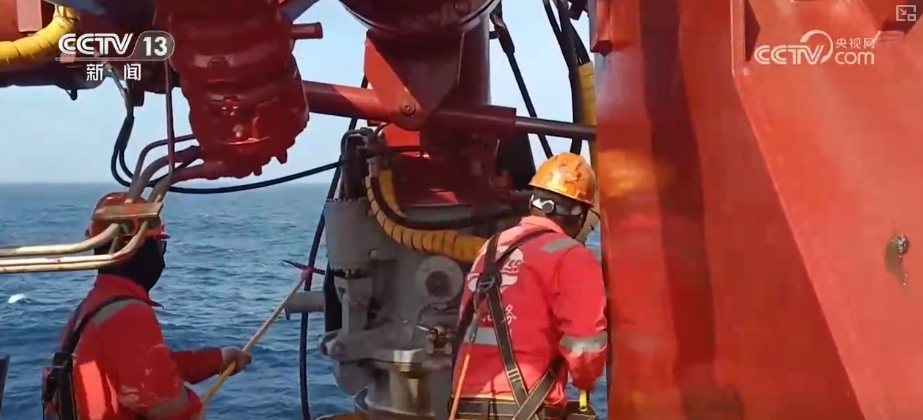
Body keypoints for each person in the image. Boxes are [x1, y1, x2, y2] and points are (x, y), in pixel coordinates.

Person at [42, 192, 252, 420]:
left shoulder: (92, 307)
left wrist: (217, 359)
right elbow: (169, 407)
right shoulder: (128, 314)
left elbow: (145, 367)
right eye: (160, 245)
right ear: (136, 246)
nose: (162, 256)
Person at [450, 153, 608, 420]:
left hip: (465, 404)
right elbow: (585, 347)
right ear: (579, 214)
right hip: (526, 407)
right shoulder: (572, 256)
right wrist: (585, 381)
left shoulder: (491, 248)